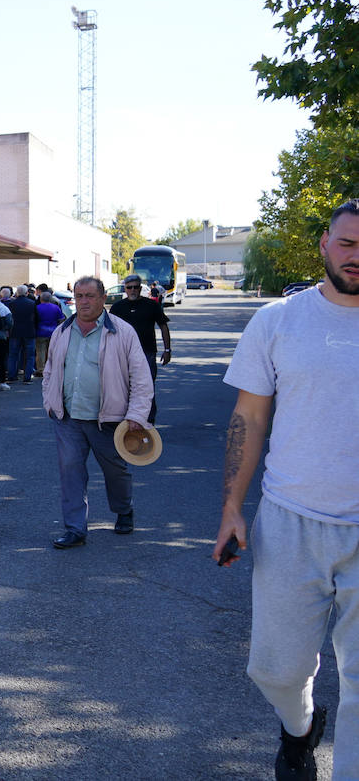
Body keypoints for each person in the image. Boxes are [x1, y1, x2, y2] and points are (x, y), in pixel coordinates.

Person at [213, 199, 359, 780]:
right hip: (291, 519)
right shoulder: (278, 321)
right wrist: (231, 508)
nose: (357, 257)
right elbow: (248, 418)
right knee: (275, 669)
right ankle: (299, 729)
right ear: (325, 244)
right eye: (348, 243)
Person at [42, 276, 153, 549]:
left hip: (110, 420)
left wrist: (137, 415)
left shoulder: (122, 332)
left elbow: (140, 377)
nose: (84, 302)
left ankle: (124, 509)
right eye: (79, 296)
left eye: (90, 296)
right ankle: (75, 529)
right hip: (68, 417)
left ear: (104, 299)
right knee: (70, 472)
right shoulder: (62, 331)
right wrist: (49, 401)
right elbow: (49, 371)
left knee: (116, 471)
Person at [108, 273, 172, 424]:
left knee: (146, 388)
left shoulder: (151, 305)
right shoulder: (117, 308)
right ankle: (127, 420)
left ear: (140, 288)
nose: (133, 290)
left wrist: (167, 350)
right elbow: (109, 331)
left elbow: (163, 325)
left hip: (147, 353)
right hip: (123, 354)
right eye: (129, 287)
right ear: (125, 289)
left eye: (136, 287)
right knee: (124, 388)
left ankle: (148, 421)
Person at [7, 285, 38, 384]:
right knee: (30, 355)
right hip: (29, 331)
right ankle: (27, 377)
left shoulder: (12, 304)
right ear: (26, 293)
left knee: (13, 354)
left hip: (15, 331)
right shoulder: (32, 303)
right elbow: (37, 318)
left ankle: (12, 376)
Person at [34, 291, 63, 378]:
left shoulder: (37, 308)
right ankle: (51, 368)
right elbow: (61, 319)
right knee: (52, 351)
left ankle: (41, 369)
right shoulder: (56, 308)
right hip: (53, 332)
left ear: (41, 299)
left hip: (40, 332)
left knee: (40, 352)